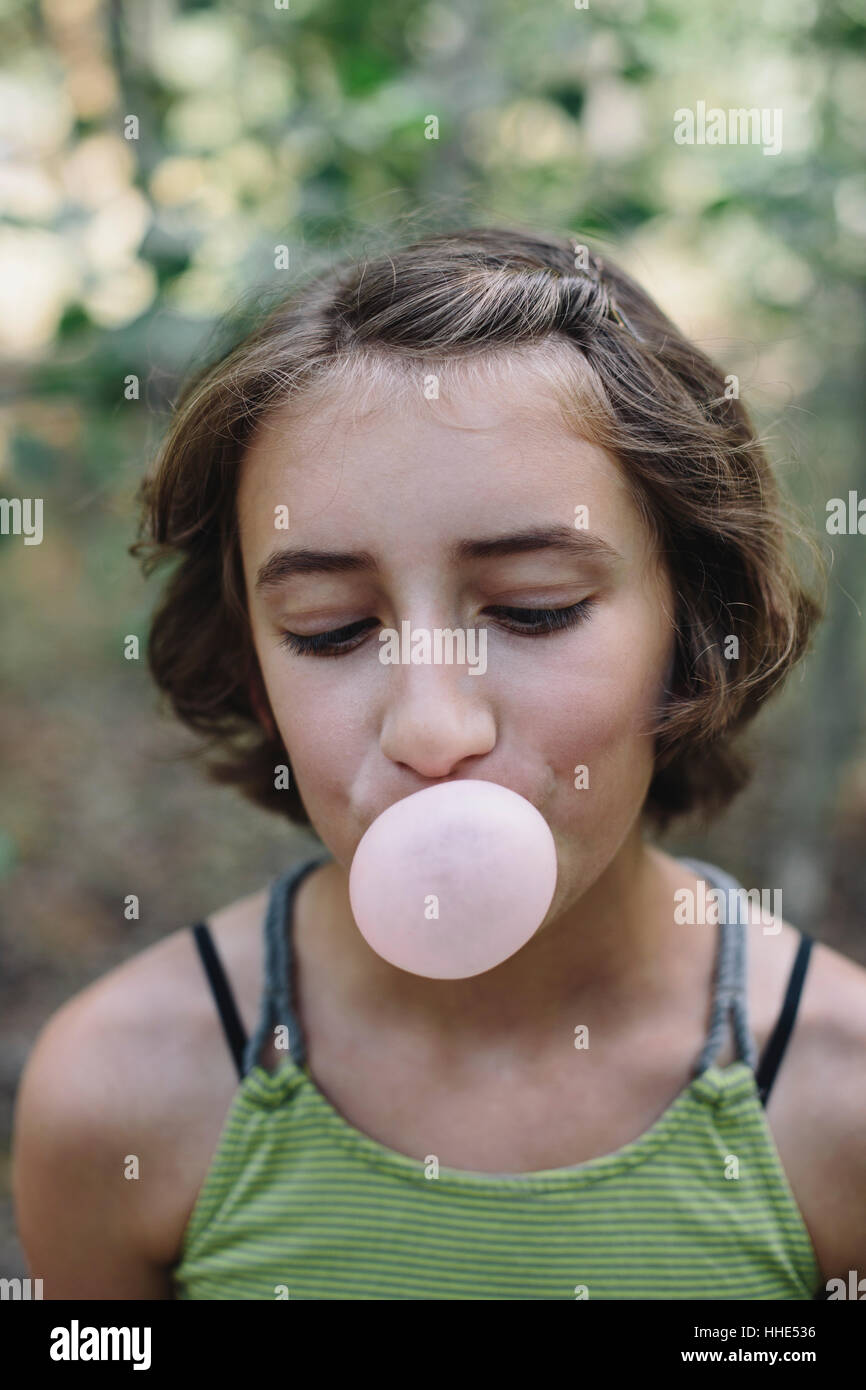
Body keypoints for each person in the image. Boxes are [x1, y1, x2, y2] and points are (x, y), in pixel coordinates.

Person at [12, 226, 866, 1300]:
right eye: (327, 628)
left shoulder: (839, 1099)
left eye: (532, 609)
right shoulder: (116, 1096)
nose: (430, 725)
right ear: (251, 664)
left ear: (688, 625)